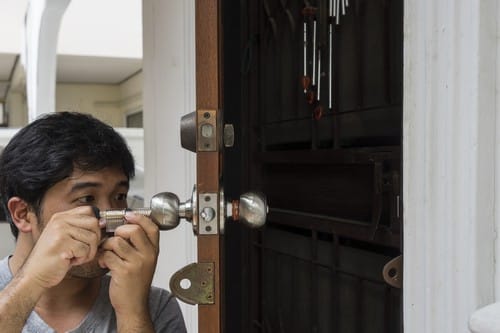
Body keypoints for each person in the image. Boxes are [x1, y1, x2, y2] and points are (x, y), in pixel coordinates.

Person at [0, 112, 187, 332]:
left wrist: (132, 312)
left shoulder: (155, 307)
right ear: (22, 213)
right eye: (87, 199)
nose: (111, 219)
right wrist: (31, 281)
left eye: (119, 196)